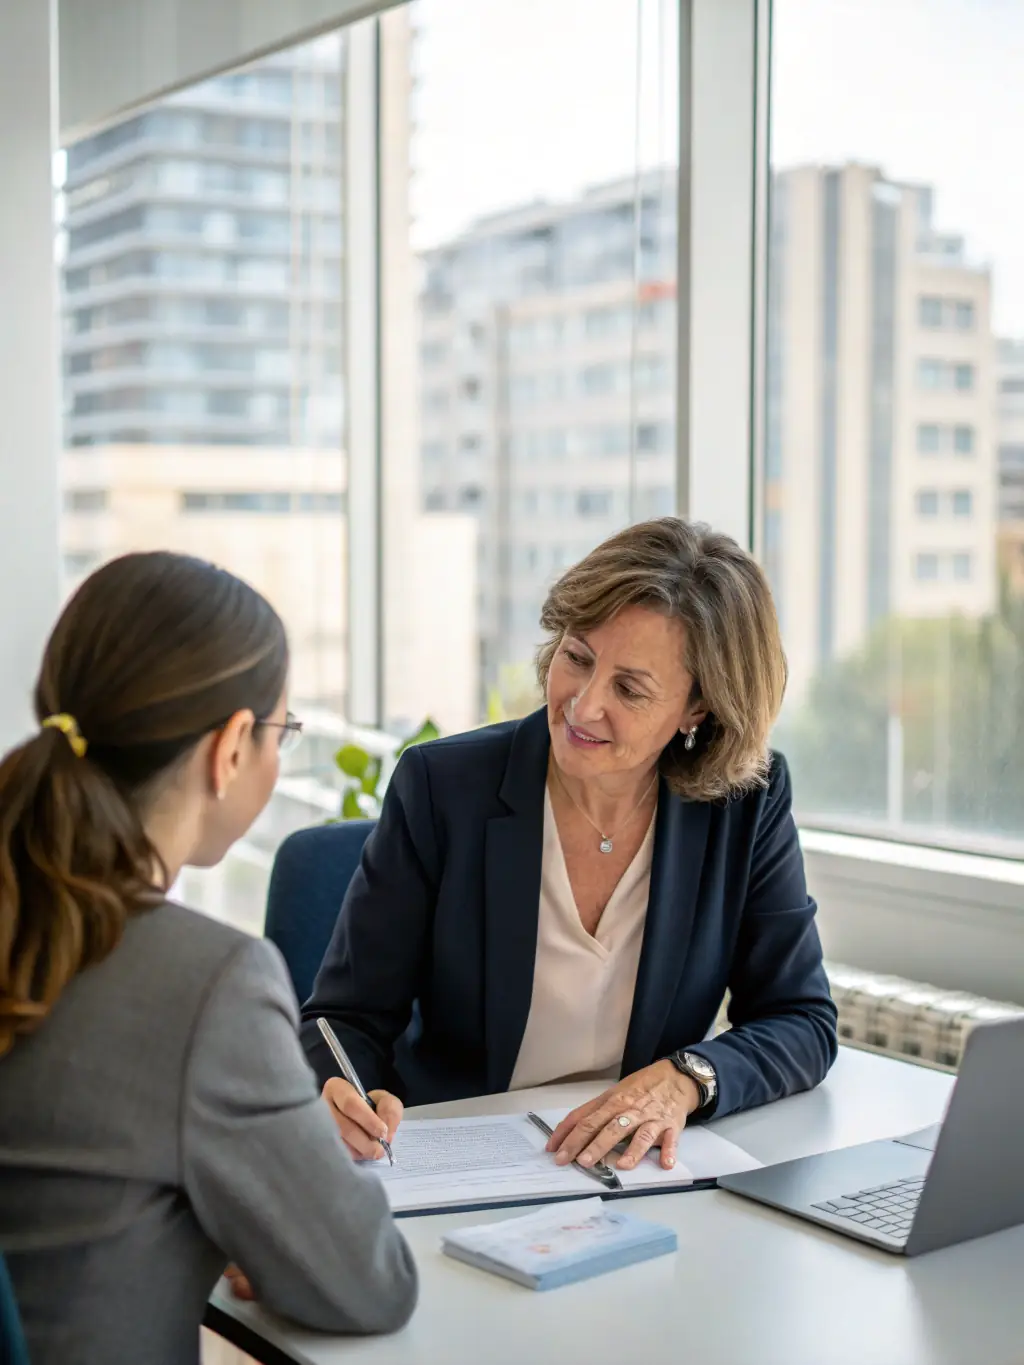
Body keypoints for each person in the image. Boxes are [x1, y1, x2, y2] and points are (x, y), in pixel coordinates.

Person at [302, 518, 838, 1177]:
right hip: (457, 1164)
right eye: (577, 657)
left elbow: (801, 1018)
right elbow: (343, 1017)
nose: (583, 707)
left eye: (630, 688)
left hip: (638, 1168)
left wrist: (685, 1078)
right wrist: (341, 1091)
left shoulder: (744, 802)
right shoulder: (444, 788)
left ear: (697, 709)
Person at [0, 552, 417, 1365]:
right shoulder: (206, 982)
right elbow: (371, 1283)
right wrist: (249, 1202)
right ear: (231, 748)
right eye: (281, 731)